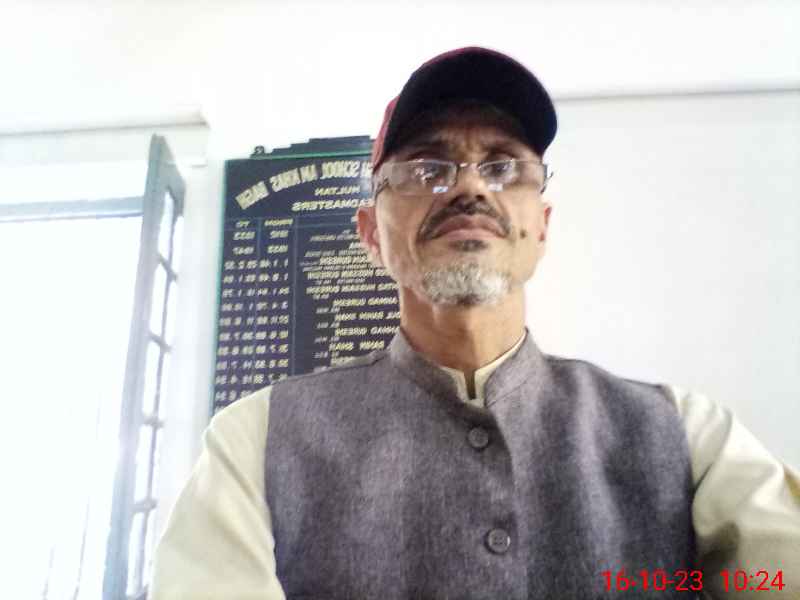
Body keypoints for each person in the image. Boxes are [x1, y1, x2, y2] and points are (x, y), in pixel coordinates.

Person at [151, 47, 799, 599]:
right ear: (371, 233)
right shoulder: (253, 444)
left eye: (503, 166)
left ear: (540, 227)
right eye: (427, 168)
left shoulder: (690, 436)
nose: (470, 188)